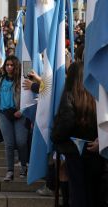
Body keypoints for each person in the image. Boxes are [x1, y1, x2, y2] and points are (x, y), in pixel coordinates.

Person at [51, 62, 106, 207]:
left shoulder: (70, 96)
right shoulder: (97, 96)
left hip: (75, 151)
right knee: (93, 191)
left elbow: (66, 123)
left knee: (78, 192)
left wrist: (55, 136)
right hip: (95, 149)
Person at [0, 55, 29, 182]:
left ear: (17, 66)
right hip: (4, 114)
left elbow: (30, 97)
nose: (9, 67)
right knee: (9, 144)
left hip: (19, 114)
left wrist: (23, 110)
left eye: (12, 65)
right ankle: (10, 171)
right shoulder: (0, 80)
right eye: (7, 65)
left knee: (21, 142)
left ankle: (24, 166)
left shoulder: (23, 79)